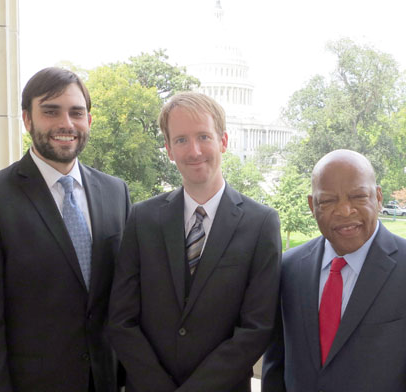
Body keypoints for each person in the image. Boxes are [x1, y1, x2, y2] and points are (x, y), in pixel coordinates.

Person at [0, 67, 130, 392]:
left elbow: (126, 301)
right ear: (27, 120)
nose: (66, 124)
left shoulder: (117, 193)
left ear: (89, 120)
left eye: (77, 112)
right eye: (51, 111)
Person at [108, 92, 281, 392]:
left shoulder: (261, 223)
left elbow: (256, 328)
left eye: (204, 136)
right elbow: (122, 320)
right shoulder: (142, 219)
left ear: (223, 141)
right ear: (169, 149)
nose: (195, 150)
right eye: (181, 140)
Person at [262, 149, 406, 392]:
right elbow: (275, 367)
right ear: (312, 206)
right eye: (327, 200)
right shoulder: (288, 268)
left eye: (358, 196)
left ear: (378, 198)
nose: (345, 210)